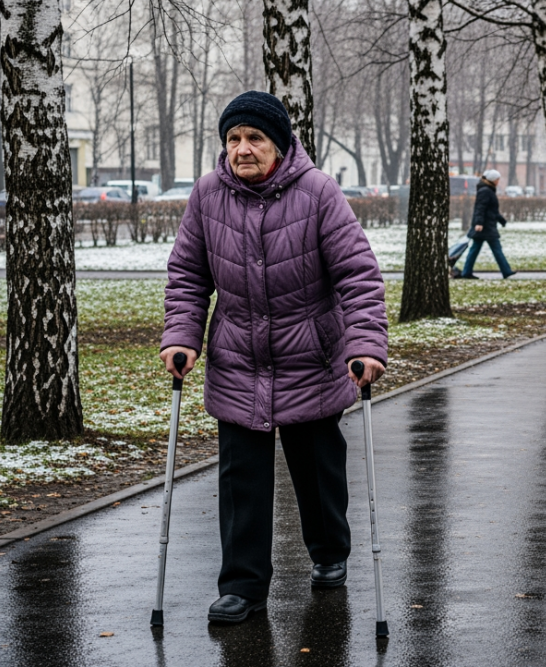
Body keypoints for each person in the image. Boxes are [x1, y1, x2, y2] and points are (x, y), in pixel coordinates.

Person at [161, 91, 389, 624]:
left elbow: (358, 274)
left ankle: (330, 552)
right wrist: (182, 336)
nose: (242, 149)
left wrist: (365, 343)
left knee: (317, 471)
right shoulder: (207, 195)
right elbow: (188, 275)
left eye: (254, 138)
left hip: (309, 356)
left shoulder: (318, 193)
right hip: (239, 360)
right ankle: (242, 585)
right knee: (242, 479)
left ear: (279, 144)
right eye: (233, 139)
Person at [459, 169, 514, 279]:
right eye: (498, 179)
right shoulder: (485, 191)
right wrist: (479, 223)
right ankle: (506, 271)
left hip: (486, 226)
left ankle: (466, 272)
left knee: (476, 250)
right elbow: (480, 208)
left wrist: (501, 220)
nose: (499, 181)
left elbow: (491, 210)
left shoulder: (488, 190)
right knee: (495, 249)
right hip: (485, 226)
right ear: (493, 180)